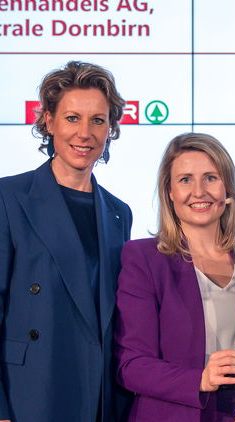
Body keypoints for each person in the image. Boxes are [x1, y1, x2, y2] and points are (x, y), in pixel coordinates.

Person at [0, 61, 132, 421]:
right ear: (49, 121)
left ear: (110, 128)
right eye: (72, 118)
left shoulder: (119, 213)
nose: (84, 133)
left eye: (97, 120)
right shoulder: (9, 197)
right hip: (30, 392)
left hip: (99, 395)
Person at [114, 133, 235, 421]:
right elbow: (131, 366)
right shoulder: (143, 258)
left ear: (227, 187)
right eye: (185, 180)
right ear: (169, 192)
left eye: (211, 178)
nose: (199, 191)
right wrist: (201, 379)